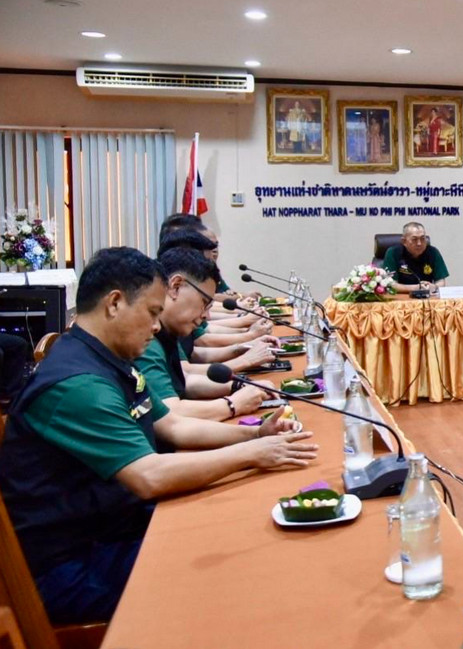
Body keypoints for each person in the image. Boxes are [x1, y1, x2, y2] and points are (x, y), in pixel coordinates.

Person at [0, 247, 317, 625]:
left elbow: (172, 426)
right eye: (152, 312)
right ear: (114, 303)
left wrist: (255, 437)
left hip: (114, 529)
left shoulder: (105, 359)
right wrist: (253, 455)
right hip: (73, 567)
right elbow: (149, 475)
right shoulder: (77, 383)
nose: (156, 326)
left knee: (236, 528)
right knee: (234, 569)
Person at [133, 248, 272, 422]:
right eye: (204, 303)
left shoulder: (168, 329)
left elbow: (185, 379)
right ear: (175, 286)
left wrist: (239, 385)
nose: (207, 315)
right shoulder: (146, 340)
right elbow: (170, 414)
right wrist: (232, 404)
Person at [383, 221, 449, 293]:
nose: (419, 243)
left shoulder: (433, 252)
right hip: (401, 297)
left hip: (426, 296)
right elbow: (390, 284)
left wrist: (434, 287)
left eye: (422, 238)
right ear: (404, 241)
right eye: (414, 239)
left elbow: (441, 281)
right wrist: (416, 288)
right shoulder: (393, 253)